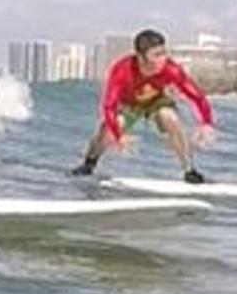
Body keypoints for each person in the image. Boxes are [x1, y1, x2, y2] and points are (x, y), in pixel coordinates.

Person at [70, 29, 216, 182]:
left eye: (163, 53)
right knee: (112, 126)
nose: (162, 59)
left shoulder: (171, 69)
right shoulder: (122, 70)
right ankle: (89, 163)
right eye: (156, 55)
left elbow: (197, 96)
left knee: (170, 117)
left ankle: (189, 170)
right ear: (140, 56)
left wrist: (206, 123)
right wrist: (119, 136)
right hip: (129, 102)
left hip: (156, 100)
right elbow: (109, 106)